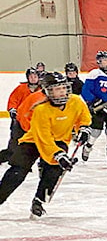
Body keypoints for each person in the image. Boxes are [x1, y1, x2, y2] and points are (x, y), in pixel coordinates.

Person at [0, 72, 92, 218]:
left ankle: (38, 201)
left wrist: (83, 129)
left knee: (55, 169)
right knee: (18, 170)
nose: (62, 91)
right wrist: (57, 154)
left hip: (59, 140)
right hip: (33, 139)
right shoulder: (41, 109)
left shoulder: (76, 101)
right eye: (57, 89)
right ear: (48, 91)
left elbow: (84, 117)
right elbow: (44, 138)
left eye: (64, 87)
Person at [1, 68, 41, 164]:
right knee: (14, 144)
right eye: (31, 76)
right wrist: (12, 109)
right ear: (27, 77)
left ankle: (21, 163)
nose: (33, 78)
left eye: (35, 76)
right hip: (19, 121)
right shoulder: (21, 88)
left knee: (30, 145)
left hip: (34, 122)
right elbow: (13, 100)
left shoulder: (42, 90)